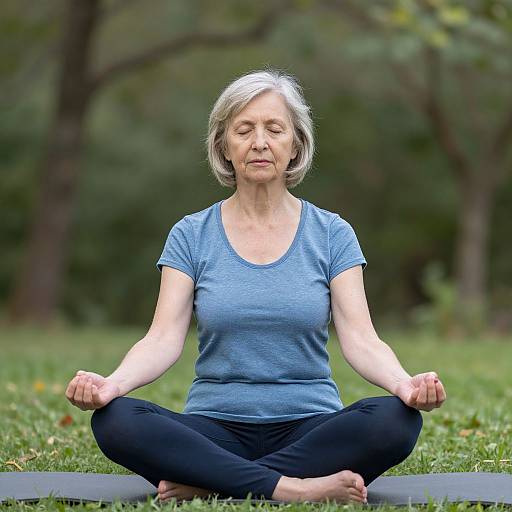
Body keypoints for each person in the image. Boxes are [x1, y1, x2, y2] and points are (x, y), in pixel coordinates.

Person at [65, 68, 447, 505]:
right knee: (116, 421)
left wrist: (404, 385)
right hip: (213, 428)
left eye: (274, 129)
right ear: (224, 146)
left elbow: (361, 339)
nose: (260, 142)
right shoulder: (191, 234)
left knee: (395, 421)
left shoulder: (331, 233)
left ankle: (211, 482)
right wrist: (112, 385)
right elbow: (162, 339)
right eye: (244, 130)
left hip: (310, 426)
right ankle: (292, 488)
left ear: (295, 143)